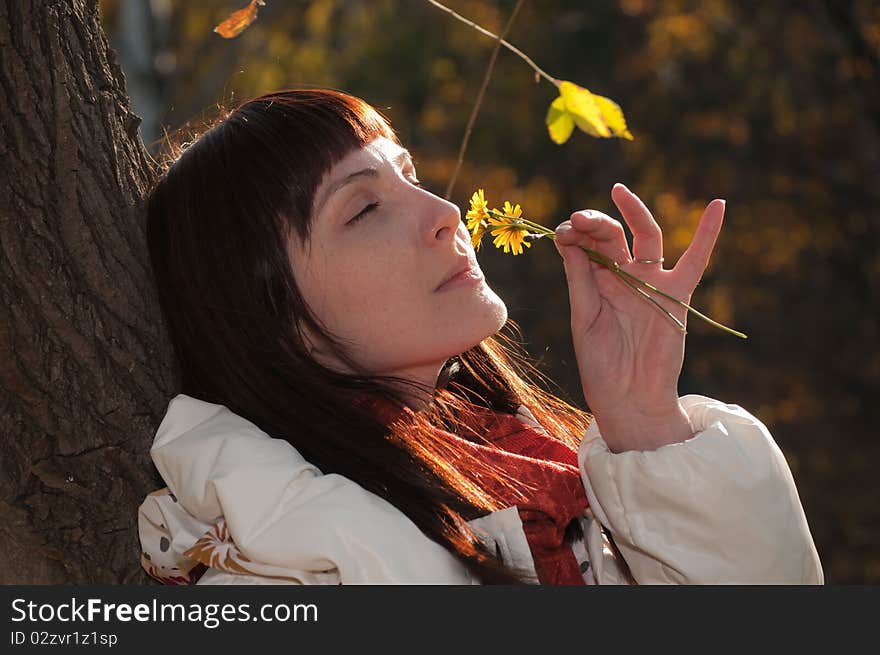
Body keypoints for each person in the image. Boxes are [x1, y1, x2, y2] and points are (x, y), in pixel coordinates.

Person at [137, 88, 823, 585]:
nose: (445, 213)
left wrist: (646, 419)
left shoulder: (537, 463)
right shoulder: (286, 567)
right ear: (276, 321)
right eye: (366, 207)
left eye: (411, 175)